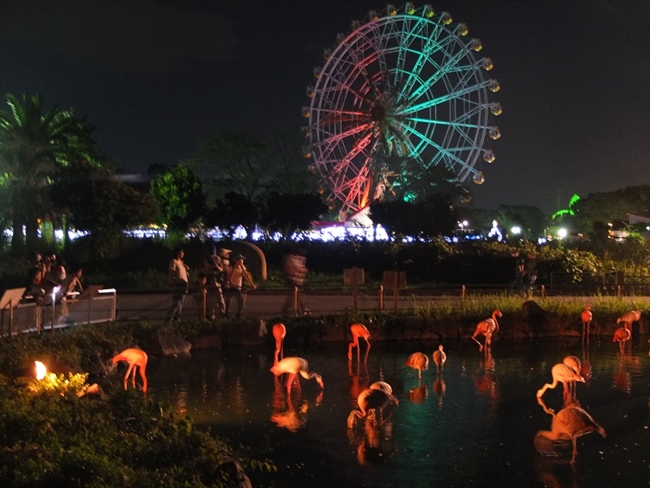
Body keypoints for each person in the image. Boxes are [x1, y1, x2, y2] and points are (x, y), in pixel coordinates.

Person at [225, 254, 256, 319]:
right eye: (241, 259)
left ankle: (238, 314)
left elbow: (246, 275)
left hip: (238, 286)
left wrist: (251, 284)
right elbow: (228, 277)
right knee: (230, 300)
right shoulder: (232, 268)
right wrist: (227, 283)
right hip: (232, 286)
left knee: (240, 300)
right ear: (237, 261)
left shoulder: (242, 267)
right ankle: (227, 314)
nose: (242, 261)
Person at [200, 246, 226, 317]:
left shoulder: (217, 258)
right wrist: (209, 268)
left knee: (220, 299)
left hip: (216, 281)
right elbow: (201, 270)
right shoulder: (205, 260)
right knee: (210, 301)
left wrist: (217, 267)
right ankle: (211, 315)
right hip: (208, 281)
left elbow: (222, 269)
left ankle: (222, 314)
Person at [282, 248, 308, 315]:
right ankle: (300, 309)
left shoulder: (293, 259)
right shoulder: (291, 259)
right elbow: (297, 268)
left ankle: (287, 309)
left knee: (295, 295)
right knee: (296, 295)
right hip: (293, 279)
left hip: (296, 279)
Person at [167, 248, 189, 322]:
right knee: (177, 302)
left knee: (181, 302)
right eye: (181, 253)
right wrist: (174, 283)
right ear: (178, 253)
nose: (183, 254)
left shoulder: (182, 262)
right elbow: (172, 272)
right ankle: (170, 317)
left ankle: (177, 317)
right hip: (177, 283)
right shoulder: (174, 261)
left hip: (184, 284)